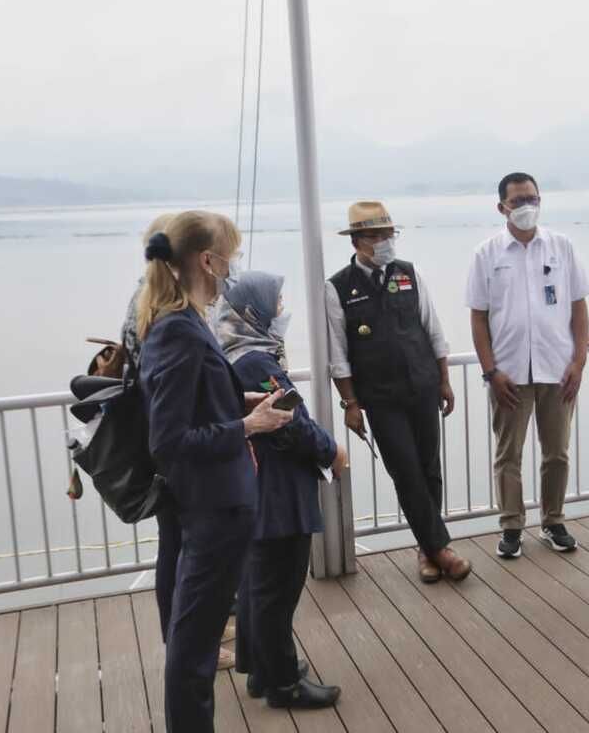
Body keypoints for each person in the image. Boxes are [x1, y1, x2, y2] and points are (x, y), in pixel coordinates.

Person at [137, 210, 295, 732]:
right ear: (208, 260)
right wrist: (247, 425)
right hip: (212, 507)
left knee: (196, 633)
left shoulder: (182, 322)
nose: (234, 265)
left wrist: (236, 399)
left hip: (219, 504)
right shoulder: (177, 331)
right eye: (232, 254)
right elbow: (170, 441)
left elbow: (193, 404)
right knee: (195, 641)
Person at [214, 271, 345, 709]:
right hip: (278, 490)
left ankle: (260, 669)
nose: (282, 309)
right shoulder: (256, 362)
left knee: (259, 585)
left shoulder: (235, 353)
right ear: (256, 310)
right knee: (278, 591)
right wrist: (332, 452)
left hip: (256, 485)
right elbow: (292, 420)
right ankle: (284, 683)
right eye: (278, 301)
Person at [325, 201, 471, 583]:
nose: (387, 241)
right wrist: (350, 403)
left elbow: (433, 329)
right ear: (358, 241)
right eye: (378, 235)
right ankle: (441, 548)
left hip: (422, 385)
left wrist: (443, 379)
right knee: (405, 471)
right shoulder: (338, 287)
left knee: (428, 468)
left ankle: (428, 549)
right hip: (380, 396)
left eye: (390, 234)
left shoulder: (409, 273)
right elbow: (338, 354)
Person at [467, 171, 589, 558]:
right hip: (509, 373)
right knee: (509, 454)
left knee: (557, 451)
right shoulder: (487, 254)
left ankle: (553, 521)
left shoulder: (561, 247)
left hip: (558, 370)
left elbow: (578, 307)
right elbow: (478, 318)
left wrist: (579, 361)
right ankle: (511, 526)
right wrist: (491, 371)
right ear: (501, 206)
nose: (526, 207)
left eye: (532, 199)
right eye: (518, 201)